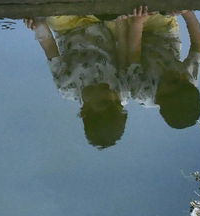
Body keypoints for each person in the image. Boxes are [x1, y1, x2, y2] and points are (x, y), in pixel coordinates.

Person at [27, 16, 128, 149]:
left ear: (85, 110)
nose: (113, 96)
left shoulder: (67, 86)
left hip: (68, 27)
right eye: (118, 103)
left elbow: (50, 48)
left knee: (54, 17)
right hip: (100, 21)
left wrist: (39, 25)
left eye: (105, 102)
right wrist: (120, 20)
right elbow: (123, 49)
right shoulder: (121, 89)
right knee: (116, 16)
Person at [117, 8, 200, 130]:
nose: (178, 76)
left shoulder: (143, 92)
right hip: (163, 33)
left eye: (173, 81)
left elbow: (133, 53)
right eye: (182, 79)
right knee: (156, 9)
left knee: (123, 16)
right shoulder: (188, 79)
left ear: (158, 98)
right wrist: (187, 13)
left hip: (134, 41)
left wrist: (137, 23)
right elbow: (197, 44)